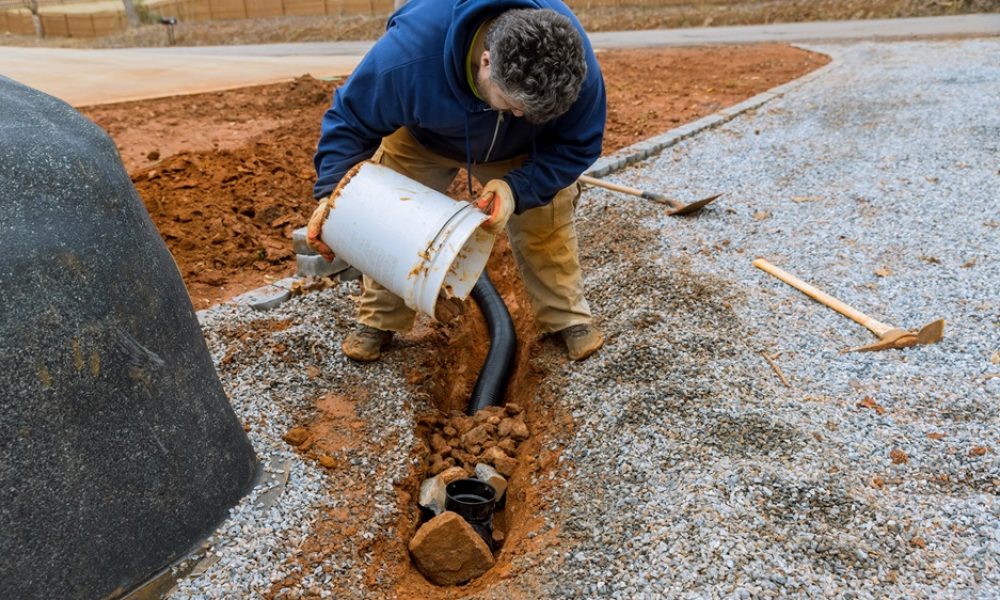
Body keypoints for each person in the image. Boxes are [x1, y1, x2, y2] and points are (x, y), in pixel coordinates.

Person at [307, 0, 606, 363]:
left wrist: (516, 189)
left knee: (546, 219)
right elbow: (350, 120)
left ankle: (566, 319)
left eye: (531, 112)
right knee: (390, 216)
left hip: (520, 147)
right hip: (425, 136)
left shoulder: (574, 68)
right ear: (486, 62)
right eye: (513, 104)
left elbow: (578, 144)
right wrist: (332, 197)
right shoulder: (409, 57)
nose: (519, 113)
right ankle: (379, 320)